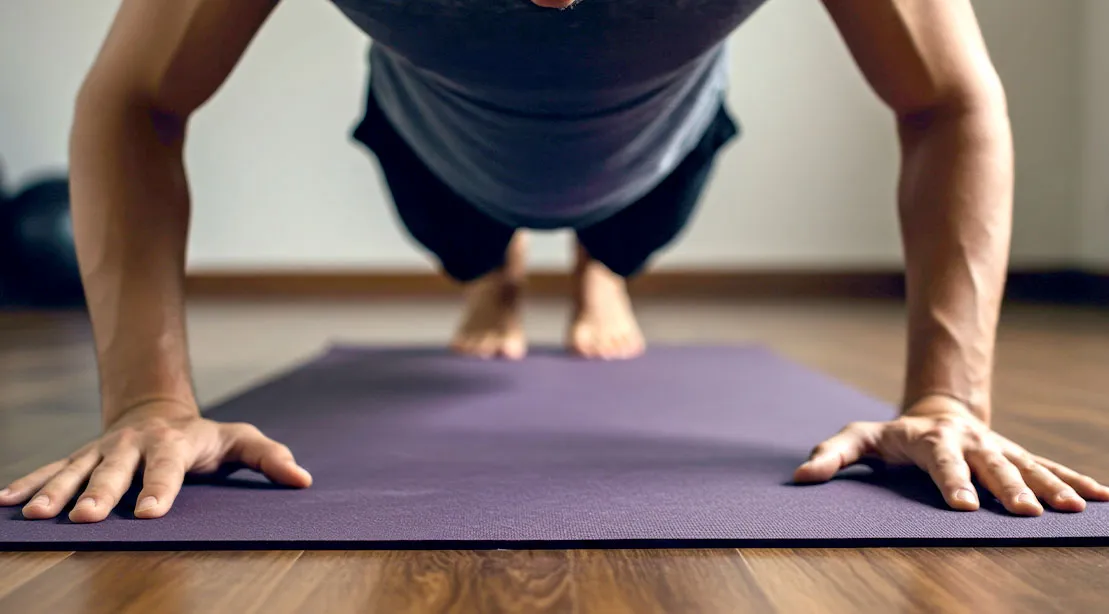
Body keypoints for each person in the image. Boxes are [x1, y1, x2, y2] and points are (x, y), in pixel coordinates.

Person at [1, 0, 1106, 524]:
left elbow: (949, 97)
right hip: (438, 142)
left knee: (628, 230)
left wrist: (946, 398)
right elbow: (137, 96)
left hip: (653, 145)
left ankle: (597, 266)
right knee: (463, 243)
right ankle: (499, 270)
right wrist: (149, 396)